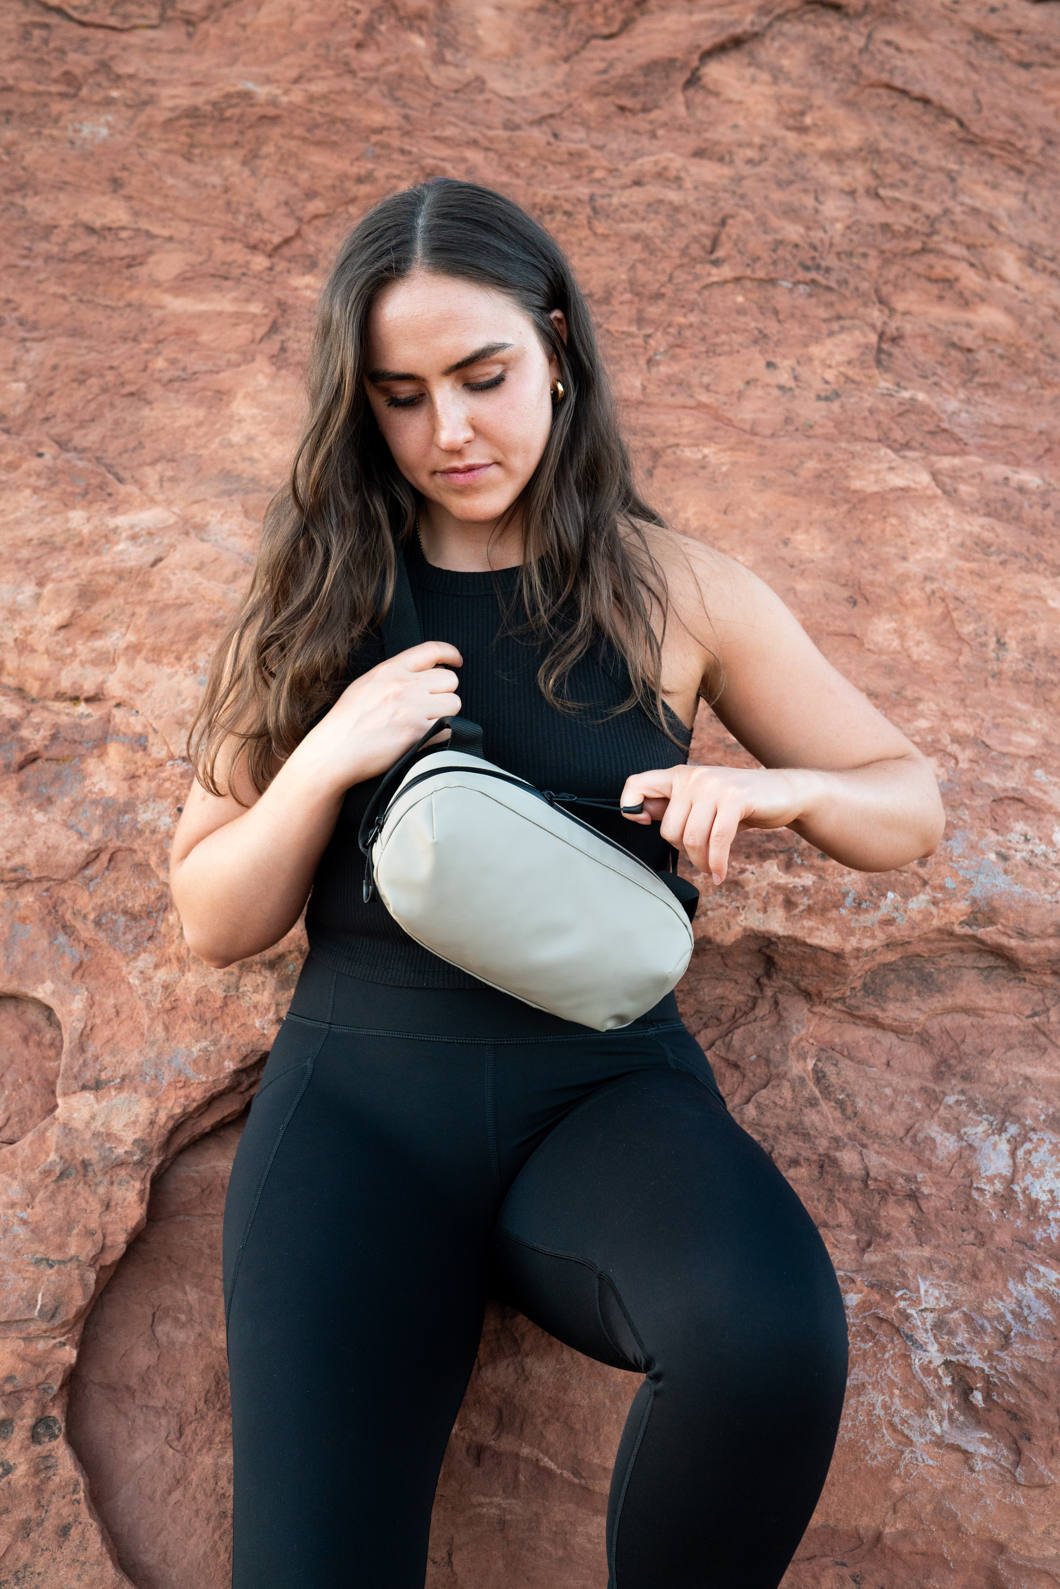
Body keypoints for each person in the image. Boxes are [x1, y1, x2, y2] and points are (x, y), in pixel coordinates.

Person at [169, 177, 945, 1589]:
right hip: (357, 1113)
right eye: (402, 398)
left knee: (767, 1343)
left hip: (602, 1094)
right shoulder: (315, 594)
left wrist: (781, 789)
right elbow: (214, 915)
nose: (450, 432)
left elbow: (909, 802)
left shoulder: (676, 590)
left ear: (559, 349)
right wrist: (326, 754)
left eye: (485, 377)